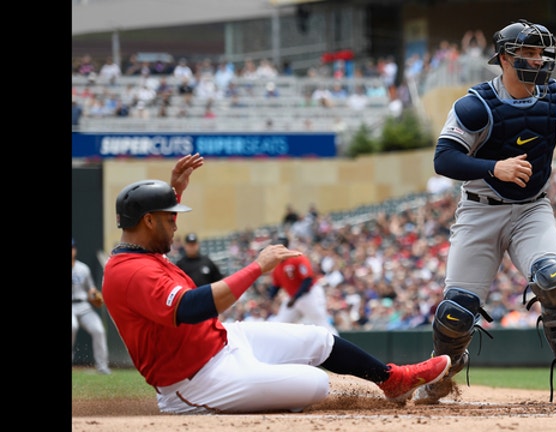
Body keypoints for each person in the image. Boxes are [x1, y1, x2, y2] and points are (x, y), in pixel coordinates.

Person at [101, 153, 451, 414]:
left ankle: (392, 380)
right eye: (169, 218)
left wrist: (171, 194)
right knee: (314, 383)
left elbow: (154, 235)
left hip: (222, 342)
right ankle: (257, 384)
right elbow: (192, 308)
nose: (176, 225)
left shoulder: (141, 252)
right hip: (196, 381)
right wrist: (257, 267)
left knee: (320, 339)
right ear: (148, 221)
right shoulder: (131, 272)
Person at [416, 19, 556, 406]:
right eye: (529, 53)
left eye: (542, 53)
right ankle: (443, 374)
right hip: (479, 211)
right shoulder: (474, 107)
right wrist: (493, 167)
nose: (538, 60)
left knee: (554, 279)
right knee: (454, 312)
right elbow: (444, 159)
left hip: (530, 209)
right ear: (504, 58)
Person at [266, 235, 339, 336]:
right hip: (293, 298)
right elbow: (276, 286)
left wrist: (295, 298)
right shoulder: (277, 265)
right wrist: (269, 298)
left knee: (322, 324)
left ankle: (338, 348)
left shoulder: (296, 257)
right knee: (280, 324)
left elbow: (307, 280)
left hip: (310, 294)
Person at [72, 238, 111, 375]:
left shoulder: (83, 269)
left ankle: (102, 366)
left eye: (72, 248)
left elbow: (91, 289)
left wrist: (94, 295)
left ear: (75, 250)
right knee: (72, 326)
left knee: (98, 329)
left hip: (83, 306)